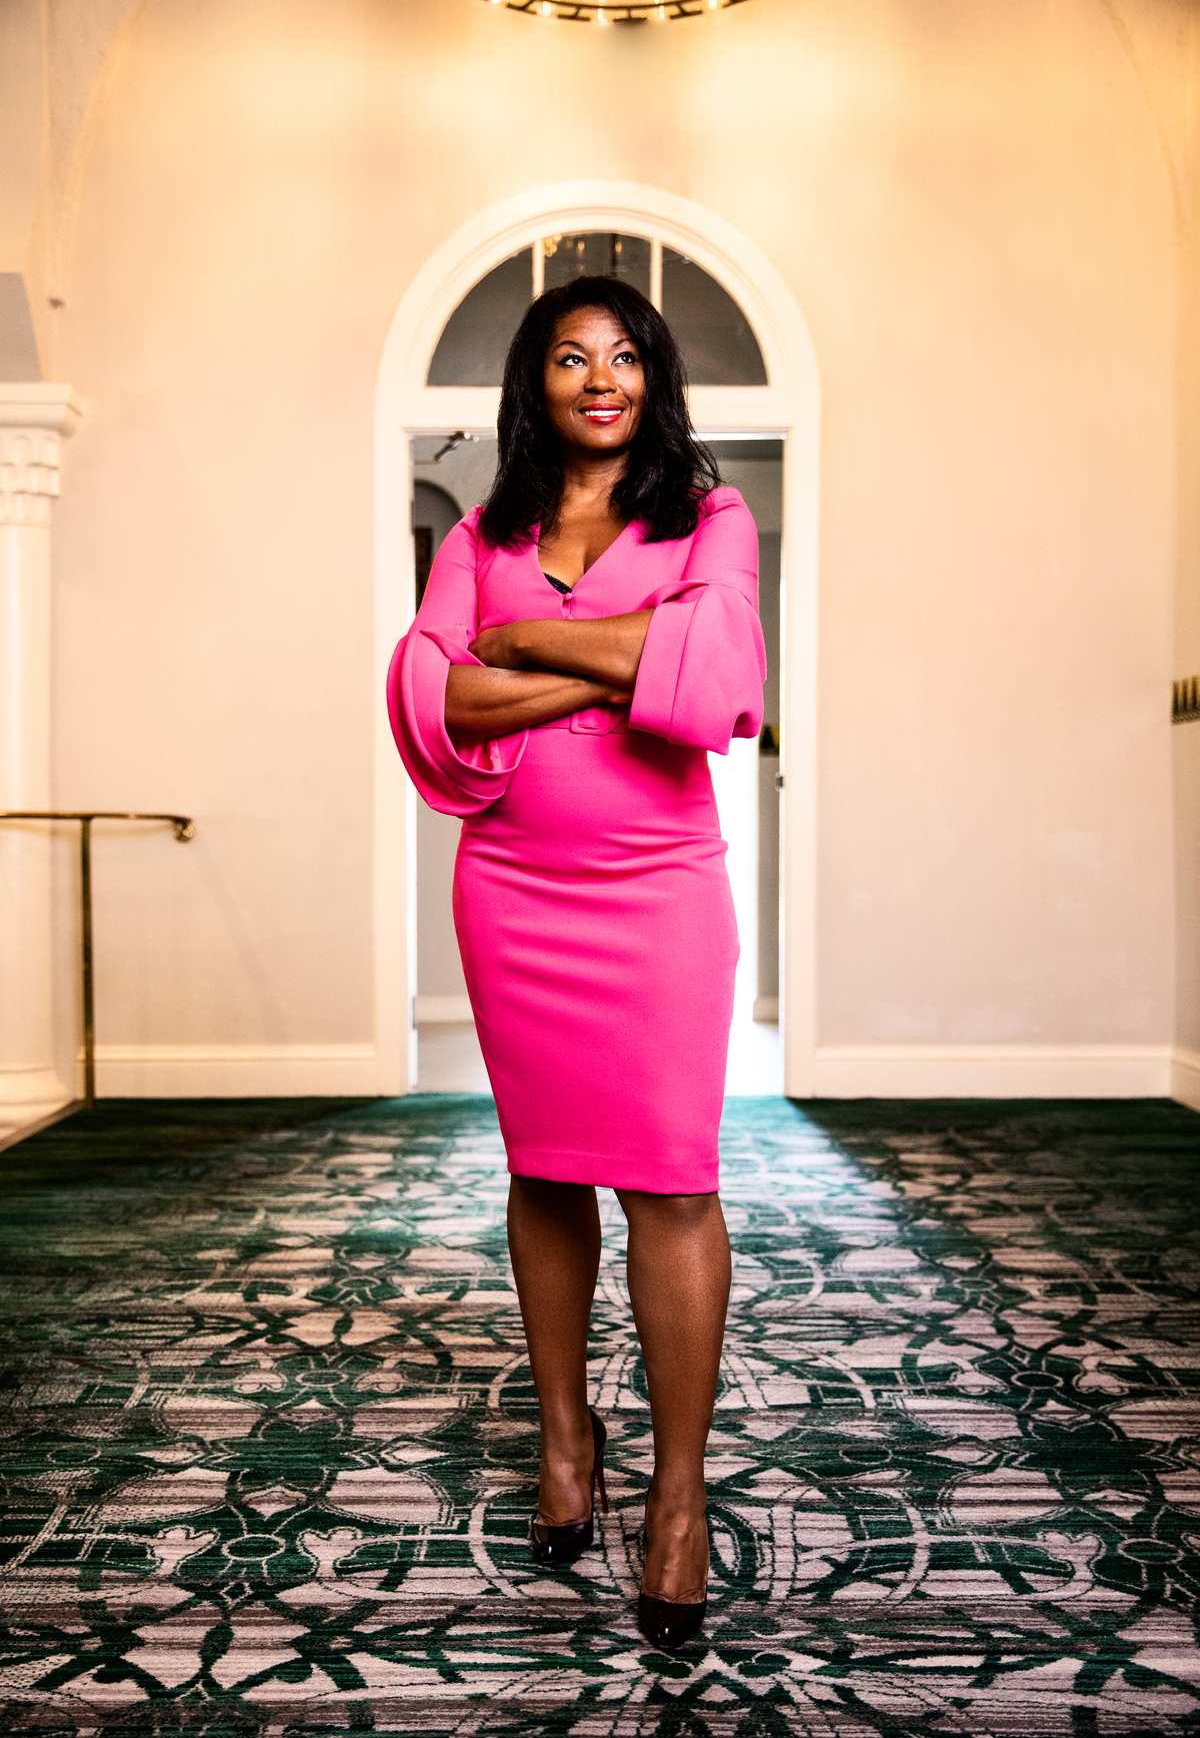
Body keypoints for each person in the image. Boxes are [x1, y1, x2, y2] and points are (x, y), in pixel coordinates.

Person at [386, 272, 767, 1651]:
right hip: (517, 892)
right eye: (567, 357)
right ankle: (565, 1441)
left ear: (654, 378)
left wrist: (535, 636)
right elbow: (432, 692)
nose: (597, 377)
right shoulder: (484, 530)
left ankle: (678, 1493)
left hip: (661, 897)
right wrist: (625, 658)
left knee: (670, 1183)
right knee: (544, 1171)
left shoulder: (707, 518)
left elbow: (716, 668)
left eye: (623, 355)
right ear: (534, 386)